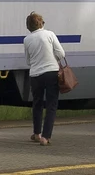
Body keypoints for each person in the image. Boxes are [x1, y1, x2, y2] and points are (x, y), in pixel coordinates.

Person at [23, 12, 66, 146]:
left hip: (35, 75)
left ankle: (37, 133)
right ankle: (45, 137)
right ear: (41, 23)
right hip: (51, 73)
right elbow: (61, 53)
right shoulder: (50, 34)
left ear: (29, 27)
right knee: (51, 105)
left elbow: (28, 61)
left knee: (37, 104)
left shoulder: (27, 40)